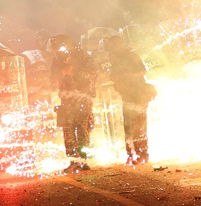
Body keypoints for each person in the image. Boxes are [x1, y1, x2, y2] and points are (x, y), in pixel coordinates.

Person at [106, 34, 155, 165]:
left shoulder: (131, 56)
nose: (111, 49)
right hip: (127, 95)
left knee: (138, 125)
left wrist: (127, 76)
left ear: (119, 45)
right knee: (128, 125)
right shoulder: (116, 58)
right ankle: (131, 154)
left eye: (112, 46)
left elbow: (142, 71)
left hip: (137, 94)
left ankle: (143, 154)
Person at [49, 34, 97, 165]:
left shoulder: (82, 55)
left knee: (82, 129)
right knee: (68, 131)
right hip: (67, 99)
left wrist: (75, 71)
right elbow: (53, 80)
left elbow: (93, 72)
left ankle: (84, 160)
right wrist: (62, 73)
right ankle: (73, 162)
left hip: (83, 97)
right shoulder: (56, 60)